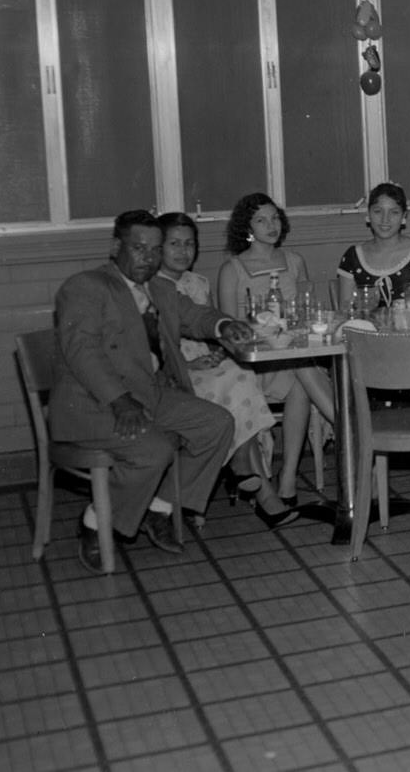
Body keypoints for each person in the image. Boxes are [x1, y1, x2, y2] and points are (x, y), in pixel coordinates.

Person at [50, 210, 242, 573]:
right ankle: (94, 523)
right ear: (115, 247)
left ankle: (159, 508)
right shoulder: (86, 287)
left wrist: (224, 325)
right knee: (155, 449)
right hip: (94, 403)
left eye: (155, 250)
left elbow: (194, 315)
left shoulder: (160, 288)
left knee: (216, 424)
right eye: (139, 249)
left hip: (149, 395)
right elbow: (82, 353)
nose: (149, 258)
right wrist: (120, 402)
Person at [157, 212, 298, 528]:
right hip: (175, 375)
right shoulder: (151, 288)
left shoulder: (197, 283)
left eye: (189, 244)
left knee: (238, 374)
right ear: (158, 248)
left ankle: (243, 464)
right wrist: (190, 363)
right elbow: (156, 350)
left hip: (206, 367)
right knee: (233, 383)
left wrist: (220, 352)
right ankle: (261, 490)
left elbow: (208, 329)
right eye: (174, 244)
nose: (183, 251)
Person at [217, 193, 336, 506]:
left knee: (301, 376)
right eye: (261, 220)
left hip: (292, 355)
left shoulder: (295, 261)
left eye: (275, 218)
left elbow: (307, 314)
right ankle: (344, 423)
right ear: (247, 227)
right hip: (254, 364)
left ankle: (288, 475)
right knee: (303, 371)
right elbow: (229, 328)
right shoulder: (233, 269)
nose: (271, 225)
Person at [337, 182, 410, 313]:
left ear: (404, 217)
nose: (385, 219)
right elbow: (346, 311)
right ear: (368, 215)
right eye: (378, 211)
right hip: (367, 331)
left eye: (394, 212)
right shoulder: (353, 257)